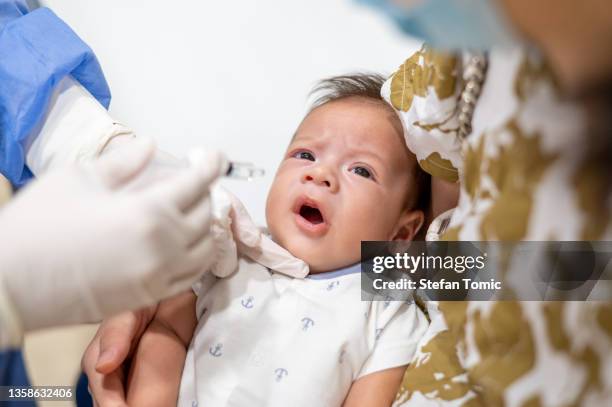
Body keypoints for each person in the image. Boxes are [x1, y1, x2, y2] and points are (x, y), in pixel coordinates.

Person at [86, 74, 430, 406]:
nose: (319, 174)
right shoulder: (228, 251)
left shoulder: (389, 309)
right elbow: (166, 331)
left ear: (401, 234)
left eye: (361, 170)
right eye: (306, 155)